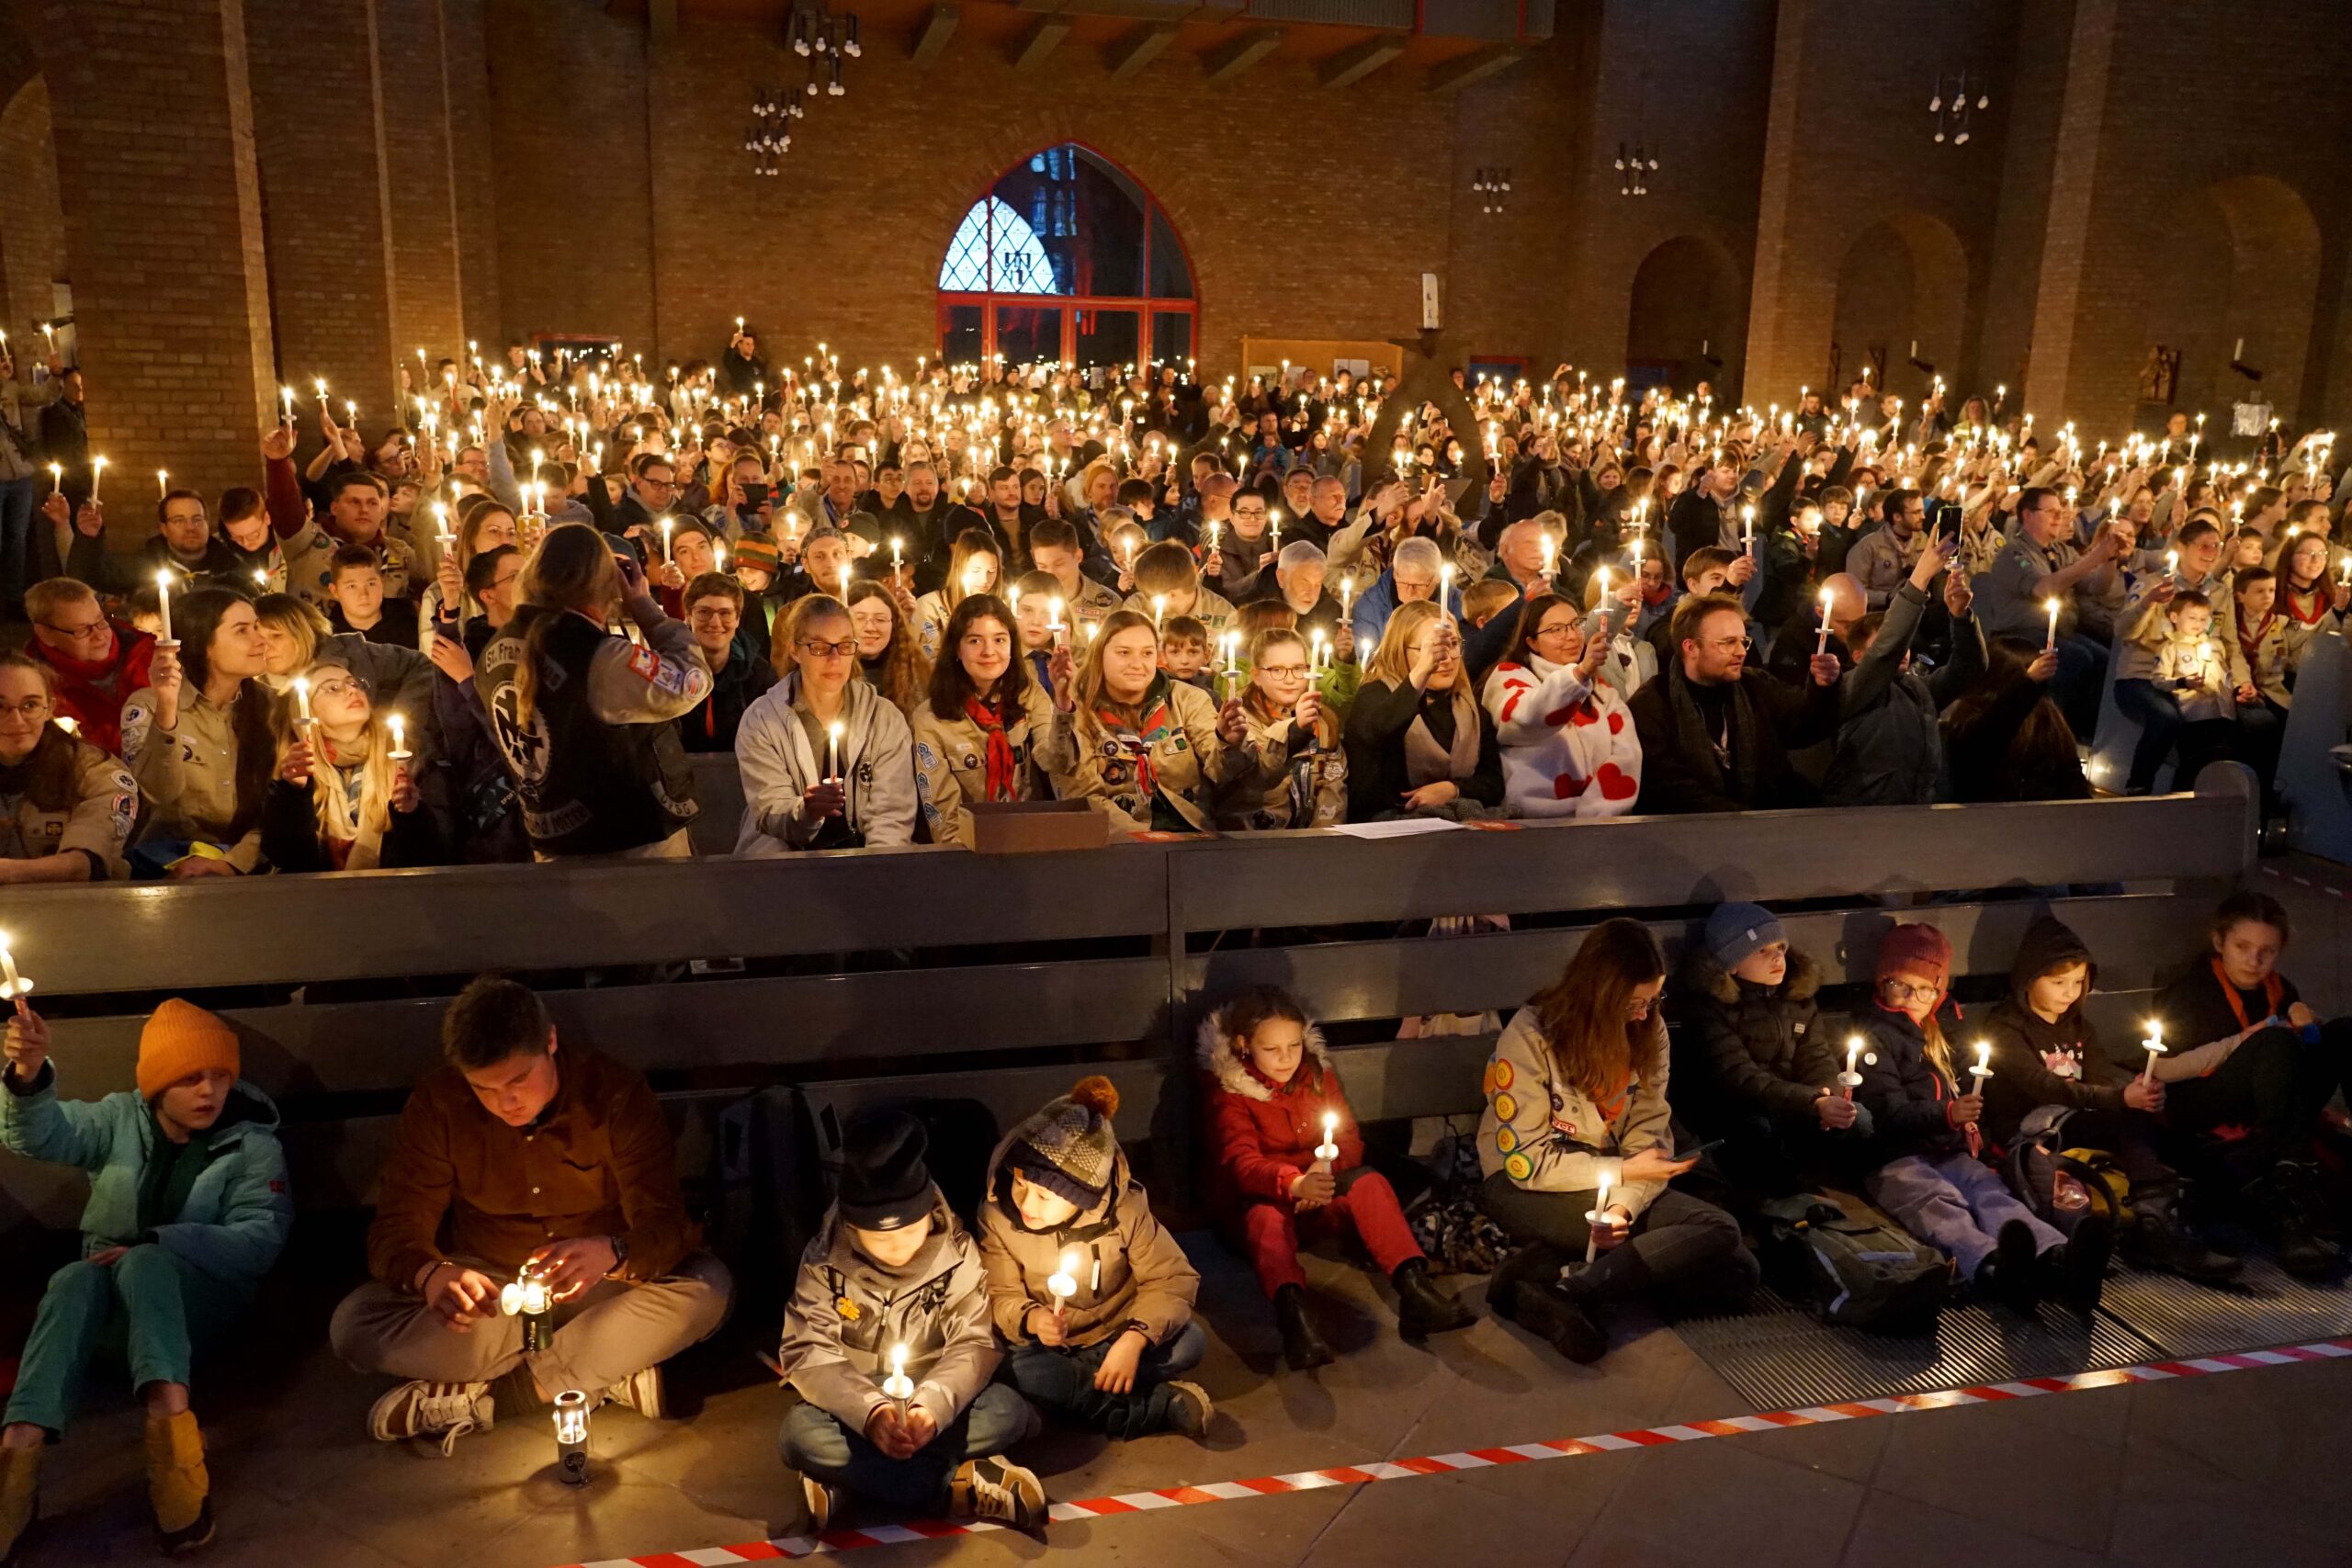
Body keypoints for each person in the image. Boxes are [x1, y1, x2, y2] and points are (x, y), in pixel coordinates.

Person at [328, 976, 731, 1449]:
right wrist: (432, 1275)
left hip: (602, 1289)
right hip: (497, 1300)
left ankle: (499, 1397)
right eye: (484, 1088)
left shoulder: (615, 1094)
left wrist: (613, 1251)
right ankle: (599, 1373)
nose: (506, 1101)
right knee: (354, 1326)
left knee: (708, 1289)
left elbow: (666, 1223)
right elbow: (395, 1228)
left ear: (551, 1042)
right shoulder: (440, 1104)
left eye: (519, 1079)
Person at [0, 998, 291, 1559]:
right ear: (158, 1084)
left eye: (220, 1077)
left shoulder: (252, 1145)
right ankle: (17, 1459)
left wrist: (157, 1242)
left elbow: (260, 1239)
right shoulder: (118, 1119)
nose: (209, 1092)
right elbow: (38, 1135)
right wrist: (29, 1074)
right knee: (70, 1279)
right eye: (189, 1078)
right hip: (111, 1306)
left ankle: (172, 1438)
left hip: (196, 1308)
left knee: (145, 1261)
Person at [1477, 920, 1758, 1363]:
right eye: (1635, 1003)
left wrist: (1622, 1206)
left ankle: (1552, 1279)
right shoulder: (1532, 1035)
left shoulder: (1650, 1031)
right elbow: (1528, 1161)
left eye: (1654, 1000)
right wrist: (1623, 1172)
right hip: (1526, 1184)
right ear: (1600, 993)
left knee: (1740, 1274)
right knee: (1718, 1234)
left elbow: (1648, 1131)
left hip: (1610, 1180)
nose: (1646, 1014)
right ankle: (1579, 1288)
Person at [780, 1108, 1046, 1533]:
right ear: (852, 1227)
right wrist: (870, 1415)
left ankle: (847, 1480)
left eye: (910, 1229)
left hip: (934, 1393)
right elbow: (807, 1350)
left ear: (930, 1213)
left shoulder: (957, 1254)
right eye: (881, 1237)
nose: (899, 1247)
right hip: (856, 1399)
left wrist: (932, 1408)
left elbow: (974, 1342)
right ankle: (953, 1487)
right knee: (798, 1435)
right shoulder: (824, 1264)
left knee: (1008, 1412)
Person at [1196, 987, 1475, 1371]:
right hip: (1256, 1205)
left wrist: (1322, 1171)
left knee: (1370, 1183)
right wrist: (1293, 1183)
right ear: (1245, 1045)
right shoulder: (1229, 1093)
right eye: (1272, 1049)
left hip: (1316, 1192)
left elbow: (1348, 1141)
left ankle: (1414, 1289)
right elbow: (1240, 1163)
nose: (1286, 1058)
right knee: (1266, 1218)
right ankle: (1295, 1320)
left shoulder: (1315, 1075)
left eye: (1293, 1045)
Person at [1855, 923, 2107, 1315]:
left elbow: (1971, 1084)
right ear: (1882, 982)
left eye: (1924, 988)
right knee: (1939, 1204)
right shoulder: (1876, 1035)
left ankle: (2058, 1258)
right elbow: (1886, 1110)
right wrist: (1949, 1114)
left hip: (1951, 1149)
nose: (1910, 998)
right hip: (1896, 1157)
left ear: (1939, 989)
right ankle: (1995, 1268)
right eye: (1899, 985)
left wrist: (1974, 1124)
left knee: (1989, 1193)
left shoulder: (1947, 1026)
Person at [1976, 916, 2239, 1283]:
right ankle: (2157, 1228)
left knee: (2167, 1130)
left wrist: (2136, 1091)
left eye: (2078, 982)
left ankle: (2183, 1213)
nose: (2069, 992)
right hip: (2035, 1125)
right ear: (2028, 979)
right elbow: (2044, 1087)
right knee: (2127, 1118)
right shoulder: (2006, 1027)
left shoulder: (2079, 1026)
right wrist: (2120, 1097)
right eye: (2058, 982)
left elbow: (2100, 1076)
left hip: (2076, 1116)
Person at [977, 1077, 1211, 1441]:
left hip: (1114, 1330)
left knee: (1190, 1342)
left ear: (1082, 1196)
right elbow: (997, 1293)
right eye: (1021, 1184)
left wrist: (1133, 1340)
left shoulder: (1126, 1210)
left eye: (1044, 1196)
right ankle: (1151, 1407)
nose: (1025, 1202)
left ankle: (1075, 1392)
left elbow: (1172, 1279)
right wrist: (1033, 1319)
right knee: (1011, 1367)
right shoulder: (998, 1216)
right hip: (1044, 1346)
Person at [477, 524, 711, 859]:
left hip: (551, 844)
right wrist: (645, 607)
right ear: (604, 582)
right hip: (630, 851)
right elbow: (691, 682)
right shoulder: (599, 656)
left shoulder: (494, 648)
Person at [2150, 892, 2352, 1280]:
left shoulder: (2279, 988)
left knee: (2345, 1033)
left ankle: (2308, 1166)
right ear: (2219, 942)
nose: (2254, 961)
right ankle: (2290, 1179)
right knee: (2274, 1043)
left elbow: (2307, 1047)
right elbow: (2167, 1070)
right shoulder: (2192, 992)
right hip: (2206, 1103)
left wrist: (2310, 1027)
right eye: (2242, 947)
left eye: (2267, 951)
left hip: (2272, 1099)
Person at [1672, 903, 1868, 1201]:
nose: (1777, 957)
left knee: (1858, 1119)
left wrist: (1829, 1099)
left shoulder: (1797, 998)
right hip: (1739, 1111)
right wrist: (1814, 1102)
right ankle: (1775, 1200)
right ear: (1732, 964)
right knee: (1758, 1134)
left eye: (1779, 947)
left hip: (1797, 1104)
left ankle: (1815, 1190)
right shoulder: (1710, 1009)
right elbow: (1739, 1077)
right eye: (1762, 951)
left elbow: (1816, 1056)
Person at [735, 594, 918, 852]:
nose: (834, 659)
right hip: (783, 861)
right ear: (795, 650)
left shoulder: (883, 718)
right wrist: (806, 812)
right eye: (820, 647)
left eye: (844, 646)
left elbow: (891, 815)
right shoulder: (763, 720)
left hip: (865, 858)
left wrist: (876, 870)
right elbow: (770, 810)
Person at [1628, 592, 1838, 814]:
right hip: (1688, 834)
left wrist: (1822, 688)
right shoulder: (1652, 704)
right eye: (1728, 643)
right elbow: (1668, 788)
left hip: (1769, 827)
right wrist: (1740, 820)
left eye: (1743, 641)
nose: (1740, 652)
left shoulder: (1755, 685)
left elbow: (1804, 726)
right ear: (1690, 648)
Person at [119, 588, 275, 876]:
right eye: (242, 631)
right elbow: (158, 793)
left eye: (256, 627)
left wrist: (232, 862)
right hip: (162, 865)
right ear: (204, 643)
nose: (261, 640)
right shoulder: (148, 705)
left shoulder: (274, 707)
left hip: (251, 868)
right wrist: (167, 708)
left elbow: (281, 809)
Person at [1048, 608, 1246, 834]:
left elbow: (1222, 772)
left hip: (1190, 836)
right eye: (1124, 653)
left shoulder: (1187, 698)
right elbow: (1080, 794)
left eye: (1147, 653)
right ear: (1100, 654)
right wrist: (1144, 839)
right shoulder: (1078, 708)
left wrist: (1226, 742)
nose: (1137, 664)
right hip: (1117, 842)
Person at [1821, 532, 1981, 807]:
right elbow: (1887, 650)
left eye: (1905, 645)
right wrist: (1920, 578)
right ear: (1859, 656)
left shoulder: (1918, 689)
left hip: (1915, 809)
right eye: (1896, 644)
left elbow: (1969, 667)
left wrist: (1961, 618)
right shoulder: (1852, 688)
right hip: (1861, 812)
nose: (1902, 650)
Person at [909, 593, 1075, 848]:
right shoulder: (931, 718)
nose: (989, 652)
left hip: (1030, 839)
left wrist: (1062, 702)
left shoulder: (1028, 695)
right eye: (975, 640)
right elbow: (944, 820)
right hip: (968, 852)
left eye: (999, 640)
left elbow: (1056, 762)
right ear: (957, 648)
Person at [259, 651, 440, 872]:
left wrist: (411, 816)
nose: (352, 690)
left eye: (353, 683)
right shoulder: (296, 768)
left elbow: (437, 851)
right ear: (307, 710)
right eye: (332, 688)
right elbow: (287, 858)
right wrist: (294, 793)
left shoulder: (411, 756)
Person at [1974, 486, 2119, 738]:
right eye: (2050, 511)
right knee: (2076, 658)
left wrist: (2110, 558)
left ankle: (2078, 731)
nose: (2059, 516)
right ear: (2028, 515)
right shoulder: (2014, 554)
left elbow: (2097, 586)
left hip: (2060, 631)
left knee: (2104, 659)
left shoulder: (2061, 551)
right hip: (2020, 633)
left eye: (2060, 511)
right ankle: (2048, 729)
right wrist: (2094, 558)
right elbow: (2044, 588)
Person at [1482, 591, 1640, 818]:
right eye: (1557, 630)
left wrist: (1594, 816)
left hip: (1598, 822)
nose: (1572, 636)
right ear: (1532, 642)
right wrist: (1579, 674)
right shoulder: (1509, 677)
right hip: (1529, 822)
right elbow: (1527, 717)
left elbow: (1627, 756)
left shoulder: (1602, 690)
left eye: (1576, 625)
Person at [1343, 599, 1505, 821]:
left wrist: (1452, 789)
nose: (1445, 658)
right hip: (1389, 829)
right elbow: (1375, 733)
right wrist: (1421, 673)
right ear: (1401, 650)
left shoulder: (1468, 706)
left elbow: (1493, 783)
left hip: (1455, 827)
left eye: (1453, 644)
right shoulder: (1376, 695)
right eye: (1432, 648)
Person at [0, 650, 138, 882]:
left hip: (77, 909)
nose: (16, 721)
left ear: (50, 708)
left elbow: (82, 866)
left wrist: (9, 872)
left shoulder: (95, 771)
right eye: (0, 707)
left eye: (30, 705)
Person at [1213, 627, 1346, 830]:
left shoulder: (1323, 721)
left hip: (1310, 841)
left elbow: (1332, 788)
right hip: (1253, 836)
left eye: (1298, 668)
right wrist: (1294, 730)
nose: (1290, 679)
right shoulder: (1240, 721)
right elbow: (1257, 776)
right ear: (1256, 676)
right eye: (1277, 670)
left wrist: (1321, 837)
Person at [1939, 637, 2088, 803]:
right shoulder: (1972, 717)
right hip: (1984, 819)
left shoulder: (2049, 719)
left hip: (2040, 820)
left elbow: (2071, 778)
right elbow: (1989, 736)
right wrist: (2028, 684)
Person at [22, 577, 156, 757]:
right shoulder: (38, 686)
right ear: (46, 635)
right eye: (82, 630)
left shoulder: (146, 651)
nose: (99, 636)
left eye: (101, 621)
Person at [677, 571, 775, 752]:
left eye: (725, 613)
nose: (715, 623)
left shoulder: (760, 676)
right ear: (689, 616)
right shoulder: (670, 671)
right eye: (704, 612)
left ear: (737, 619)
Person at [845, 579, 931, 716]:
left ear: (894, 624)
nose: (870, 628)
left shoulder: (916, 672)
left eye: (880, 619)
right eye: (859, 618)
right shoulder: (833, 673)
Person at [912, 528, 1001, 661]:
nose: (984, 580)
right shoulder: (929, 606)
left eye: (991, 571)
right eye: (976, 571)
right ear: (959, 568)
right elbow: (929, 658)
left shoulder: (1001, 607)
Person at [326, 544, 422, 646]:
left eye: (371, 584)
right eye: (352, 586)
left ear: (382, 583)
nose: (364, 595)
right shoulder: (327, 638)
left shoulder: (410, 615)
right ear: (335, 591)